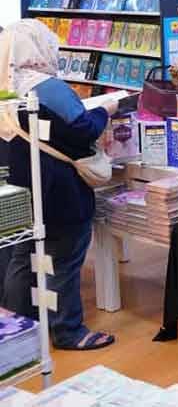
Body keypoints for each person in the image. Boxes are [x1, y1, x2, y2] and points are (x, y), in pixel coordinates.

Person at [0, 20, 118, 350]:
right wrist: (105, 111)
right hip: (58, 186)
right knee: (65, 256)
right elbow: (82, 128)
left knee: (23, 258)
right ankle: (68, 331)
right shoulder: (47, 86)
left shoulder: (7, 83)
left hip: (22, 185)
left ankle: (19, 331)